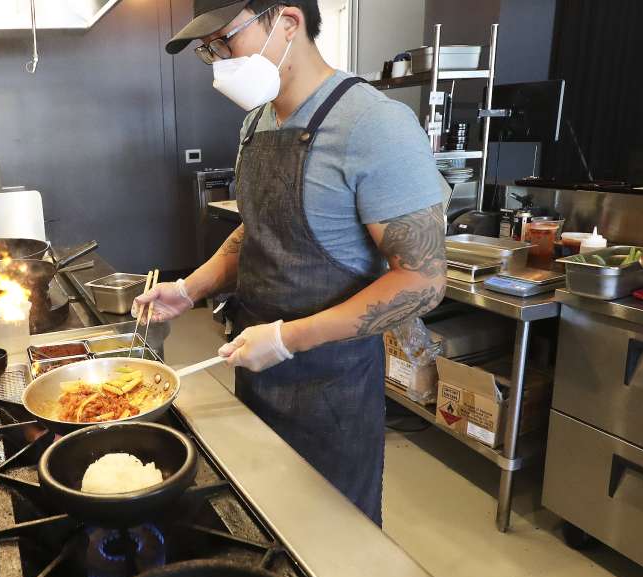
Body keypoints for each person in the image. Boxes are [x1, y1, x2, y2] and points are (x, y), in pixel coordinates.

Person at [138, 0, 450, 526]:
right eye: (207, 51)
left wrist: (288, 339)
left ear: (286, 21)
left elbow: (422, 280)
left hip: (331, 384)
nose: (218, 62)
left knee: (331, 538)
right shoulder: (257, 123)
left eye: (225, 42)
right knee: (265, 523)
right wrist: (190, 288)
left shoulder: (375, 125)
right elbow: (258, 227)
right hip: (254, 361)